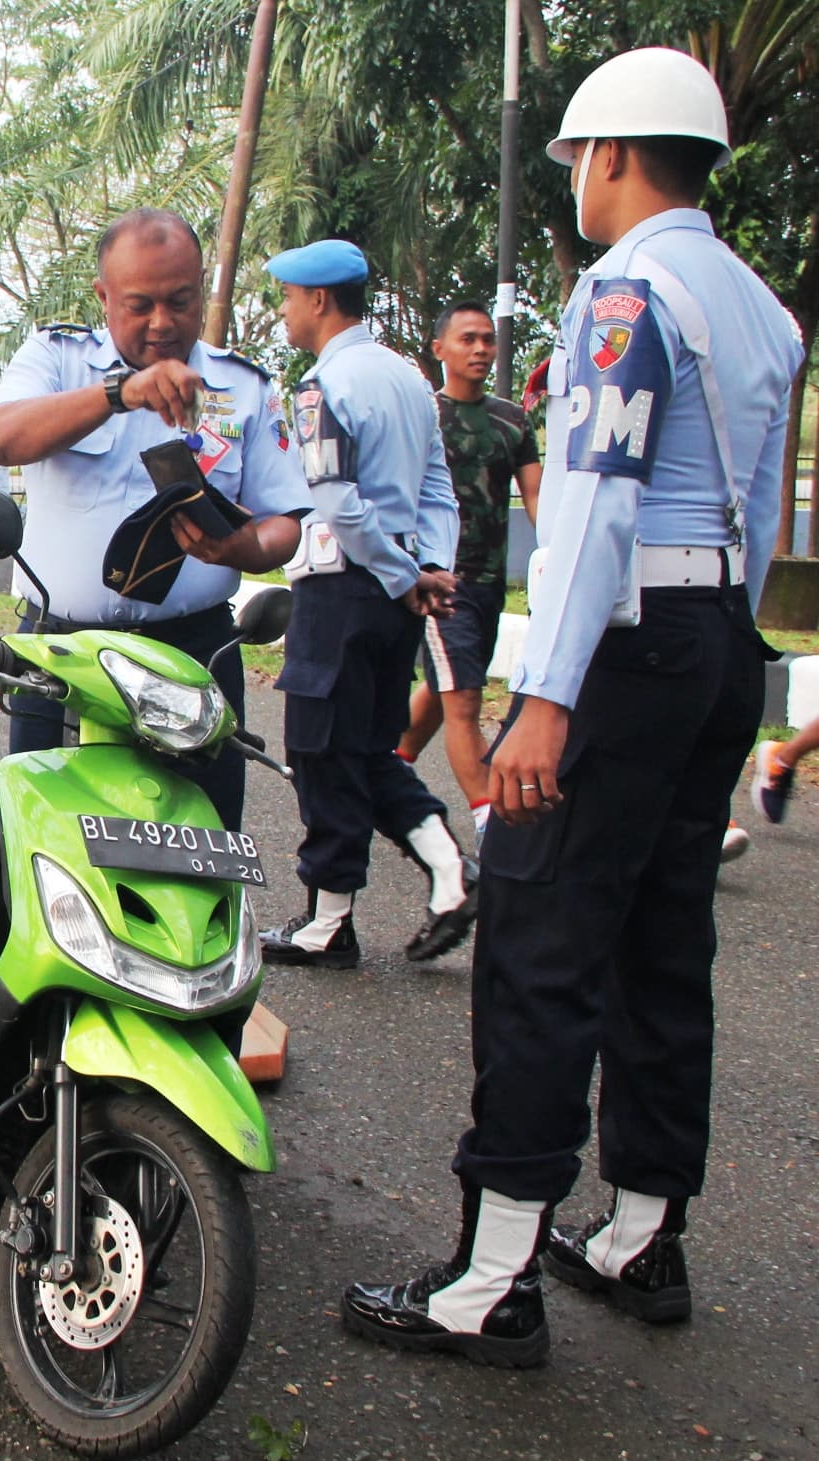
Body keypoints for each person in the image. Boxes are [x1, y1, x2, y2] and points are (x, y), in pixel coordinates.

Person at [341, 48, 801, 1368]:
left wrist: (541, 698)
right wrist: (717, 642)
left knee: (538, 935)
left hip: (624, 644)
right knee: (663, 931)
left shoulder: (624, 292)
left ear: (609, 157)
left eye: (576, 166)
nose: (575, 189)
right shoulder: (761, 311)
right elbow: (755, 504)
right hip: (718, 637)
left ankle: (490, 1280)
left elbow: (594, 499)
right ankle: (639, 1232)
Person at [0, 207, 309, 834]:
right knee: (45, 852)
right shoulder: (57, 359)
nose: (163, 322)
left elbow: (283, 524)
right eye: (140, 305)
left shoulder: (241, 387)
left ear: (203, 288)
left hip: (193, 655)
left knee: (198, 849)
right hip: (61, 655)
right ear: (104, 297)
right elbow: (3, 437)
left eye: (181, 301)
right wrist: (118, 392)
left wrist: (241, 546)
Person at [255, 238, 475, 969]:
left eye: (287, 296)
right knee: (365, 750)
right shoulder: (411, 380)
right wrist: (427, 567)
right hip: (393, 599)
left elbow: (337, 501)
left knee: (319, 750)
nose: (284, 310)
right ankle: (448, 872)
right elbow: (438, 489)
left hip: (348, 588)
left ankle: (327, 922)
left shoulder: (324, 386)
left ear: (320, 300)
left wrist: (396, 570)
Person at [395, 302, 543, 846]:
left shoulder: (512, 421)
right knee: (465, 701)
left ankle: (388, 770)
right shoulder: (423, 416)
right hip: (441, 582)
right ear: (440, 350)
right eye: (467, 340)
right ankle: (492, 821)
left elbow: (535, 498)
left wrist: (559, 556)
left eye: (487, 340)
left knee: (444, 689)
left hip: (490, 584)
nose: (480, 349)